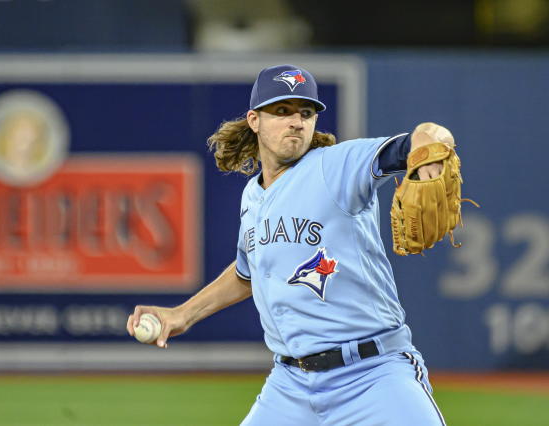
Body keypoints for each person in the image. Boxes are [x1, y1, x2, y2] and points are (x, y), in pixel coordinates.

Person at [127, 64, 450, 425]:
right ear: (254, 120)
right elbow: (247, 272)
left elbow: (423, 137)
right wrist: (181, 314)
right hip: (291, 385)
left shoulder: (335, 166)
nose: (296, 121)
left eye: (306, 112)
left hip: (372, 377)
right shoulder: (253, 195)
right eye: (282, 111)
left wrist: (429, 149)